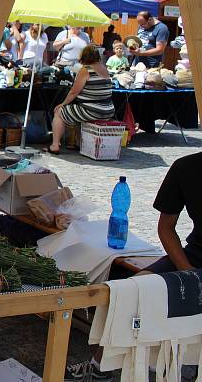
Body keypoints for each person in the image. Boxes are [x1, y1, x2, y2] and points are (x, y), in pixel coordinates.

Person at [65, 151, 202, 381]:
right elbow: (166, 228)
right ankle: (99, 366)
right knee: (131, 291)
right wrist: (186, 269)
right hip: (195, 256)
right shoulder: (186, 167)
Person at [43, 45, 114, 154]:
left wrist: (62, 104)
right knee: (76, 112)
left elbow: (73, 92)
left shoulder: (86, 70)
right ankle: (77, 142)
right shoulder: (103, 68)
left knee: (59, 112)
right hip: (107, 110)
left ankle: (55, 145)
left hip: (93, 110)